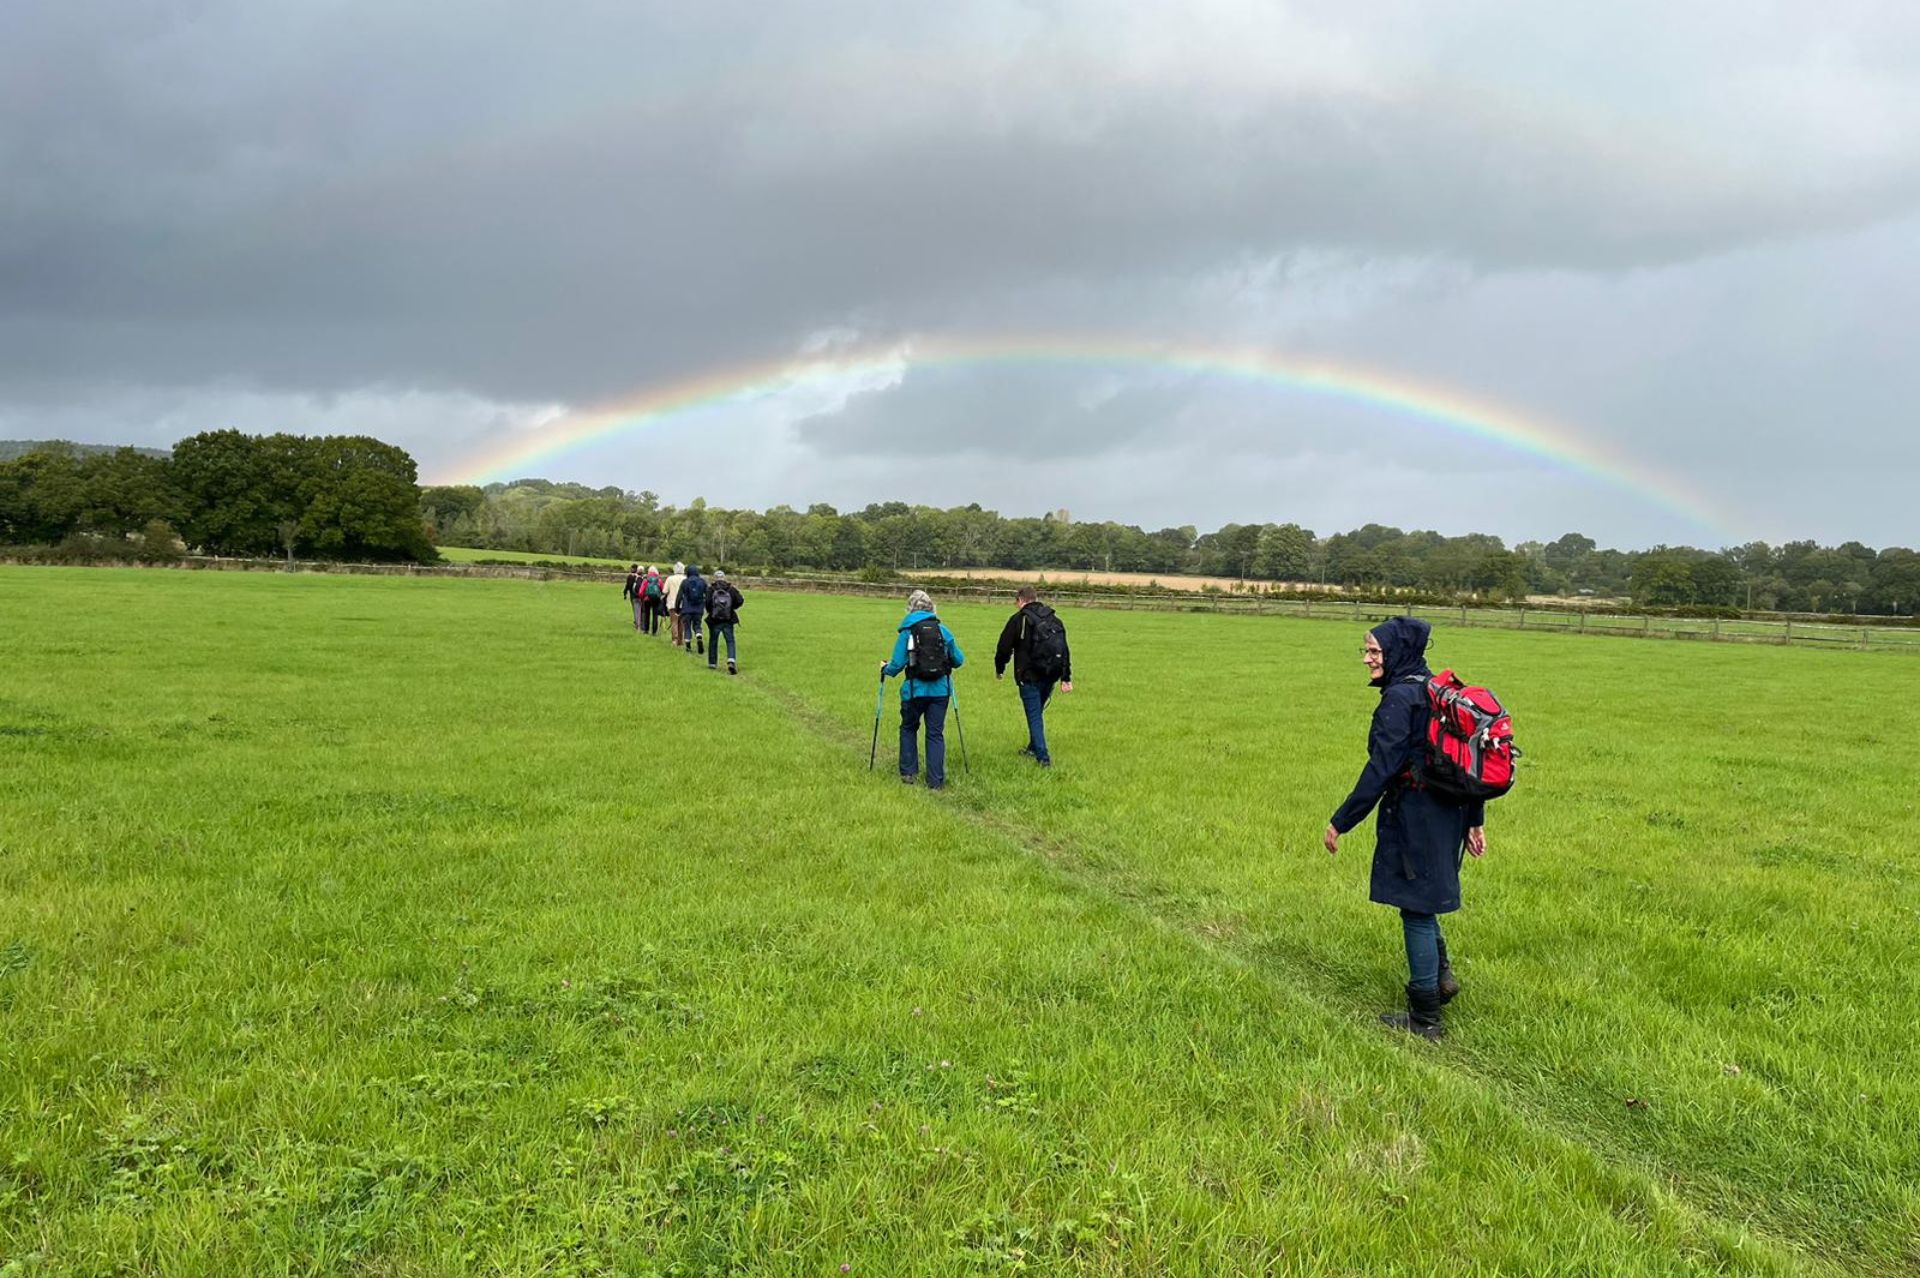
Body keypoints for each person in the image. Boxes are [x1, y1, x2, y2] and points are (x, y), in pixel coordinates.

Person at [1323, 617, 1486, 1041]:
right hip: (1448, 813)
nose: (1367, 659)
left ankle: (1426, 1018)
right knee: (1424, 901)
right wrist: (1474, 818)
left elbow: (1382, 768)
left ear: (1397, 652)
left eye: (1374, 652)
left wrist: (1342, 820)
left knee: (1415, 908)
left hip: (1416, 814)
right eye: (1366, 650)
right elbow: (1468, 757)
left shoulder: (1400, 698)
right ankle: (1442, 978)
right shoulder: (1437, 688)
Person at [881, 589, 965, 789]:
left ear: (909, 608)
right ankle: (936, 781)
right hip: (940, 691)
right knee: (935, 733)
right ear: (931, 607)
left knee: (909, 728)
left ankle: (909, 773)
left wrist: (885, 669)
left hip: (914, 691)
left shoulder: (907, 632)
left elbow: (897, 664)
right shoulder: (943, 631)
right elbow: (959, 660)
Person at [993, 586, 1073, 768]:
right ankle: (1032, 747)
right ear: (1035, 598)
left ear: (1020, 601)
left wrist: (1000, 668)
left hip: (1028, 675)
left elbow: (1004, 647)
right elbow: (1064, 650)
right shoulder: (1054, 619)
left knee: (1034, 715)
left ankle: (1043, 758)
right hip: (1050, 674)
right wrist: (1065, 677)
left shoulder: (1018, 620)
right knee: (1037, 711)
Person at [704, 570, 745, 674]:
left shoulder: (711, 589)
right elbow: (740, 600)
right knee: (730, 640)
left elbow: (707, 603)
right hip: (728, 619)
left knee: (713, 640)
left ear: (714, 578)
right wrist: (731, 608)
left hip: (714, 620)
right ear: (724, 578)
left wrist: (711, 611)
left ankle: (712, 663)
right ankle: (731, 660)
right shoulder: (731, 589)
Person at [678, 564, 709, 656]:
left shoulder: (685, 582)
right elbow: (708, 595)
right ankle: (698, 635)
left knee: (687, 627)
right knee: (697, 625)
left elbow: (679, 596)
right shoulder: (702, 582)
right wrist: (707, 607)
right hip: (698, 608)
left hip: (687, 608)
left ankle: (688, 645)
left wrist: (677, 608)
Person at [662, 562, 687, 646]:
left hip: (672, 603)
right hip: (683, 604)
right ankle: (681, 640)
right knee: (682, 622)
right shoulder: (685, 579)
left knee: (674, 622)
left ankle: (675, 640)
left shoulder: (670, 579)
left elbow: (665, 591)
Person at [639, 565, 665, 634]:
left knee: (647, 615)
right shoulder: (659, 580)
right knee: (655, 615)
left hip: (647, 599)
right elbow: (663, 590)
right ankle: (654, 631)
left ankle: (646, 630)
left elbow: (641, 592)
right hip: (656, 599)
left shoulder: (645, 580)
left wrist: (642, 598)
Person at [621, 563, 643, 630]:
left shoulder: (630, 577)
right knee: (640, 609)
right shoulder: (641, 577)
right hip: (641, 595)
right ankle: (640, 622)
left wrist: (625, 593)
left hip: (633, 596)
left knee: (636, 610)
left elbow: (627, 586)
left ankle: (637, 623)